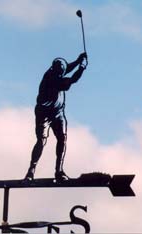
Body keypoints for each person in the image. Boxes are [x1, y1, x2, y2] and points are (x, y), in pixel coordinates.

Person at [25, 52, 88, 182]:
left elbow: (66, 69)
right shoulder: (51, 79)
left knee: (62, 138)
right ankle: (31, 171)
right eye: (60, 73)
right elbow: (73, 79)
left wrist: (77, 61)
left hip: (58, 112)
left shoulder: (55, 70)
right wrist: (82, 67)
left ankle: (59, 171)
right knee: (41, 141)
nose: (61, 74)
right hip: (44, 113)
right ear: (54, 71)